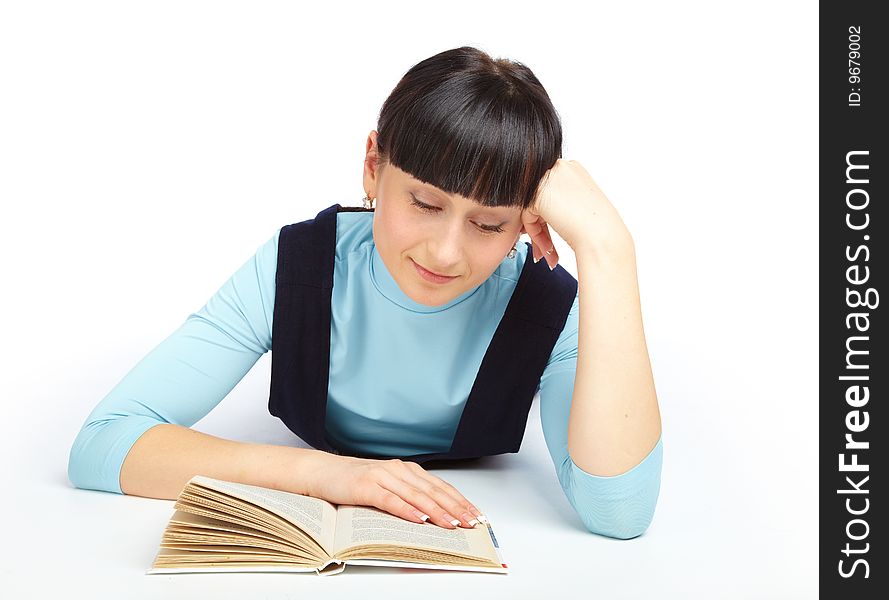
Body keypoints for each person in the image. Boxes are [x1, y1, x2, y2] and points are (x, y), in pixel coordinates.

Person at [68, 46, 663, 539]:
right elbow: (104, 442)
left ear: (527, 220)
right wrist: (326, 476)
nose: (446, 253)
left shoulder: (546, 302)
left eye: (489, 225)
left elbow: (618, 512)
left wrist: (609, 250)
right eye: (425, 204)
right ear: (373, 166)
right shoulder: (297, 268)